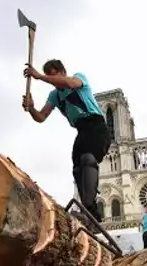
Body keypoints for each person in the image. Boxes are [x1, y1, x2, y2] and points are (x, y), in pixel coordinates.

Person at [22, 60, 111, 226]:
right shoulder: (54, 95)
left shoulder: (78, 78)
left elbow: (69, 83)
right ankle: (91, 214)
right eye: (48, 75)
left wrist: (39, 77)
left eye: (52, 74)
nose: (50, 79)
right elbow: (41, 117)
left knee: (87, 159)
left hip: (97, 127)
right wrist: (32, 108)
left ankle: (89, 205)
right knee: (77, 168)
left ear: (62, 72)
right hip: (82, 131)